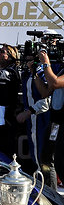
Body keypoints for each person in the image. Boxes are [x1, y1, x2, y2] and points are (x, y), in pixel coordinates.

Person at [16, 57, 56, 189]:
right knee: (37, 160)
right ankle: (44, 192)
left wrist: (29, 112)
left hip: (43, 120)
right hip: (32, 121)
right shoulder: (27, 72)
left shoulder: (44, 70)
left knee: (44, 161)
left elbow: (48, 98)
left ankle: (52, 196)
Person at [33, 50, 64, 186]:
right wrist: (34, 72)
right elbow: (46, 91)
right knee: (47, 159)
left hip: (63, 123)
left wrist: (46, 63)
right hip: (56, 122)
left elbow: (56, 82)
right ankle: (52, 194)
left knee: (60, 162)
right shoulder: (62, 68)